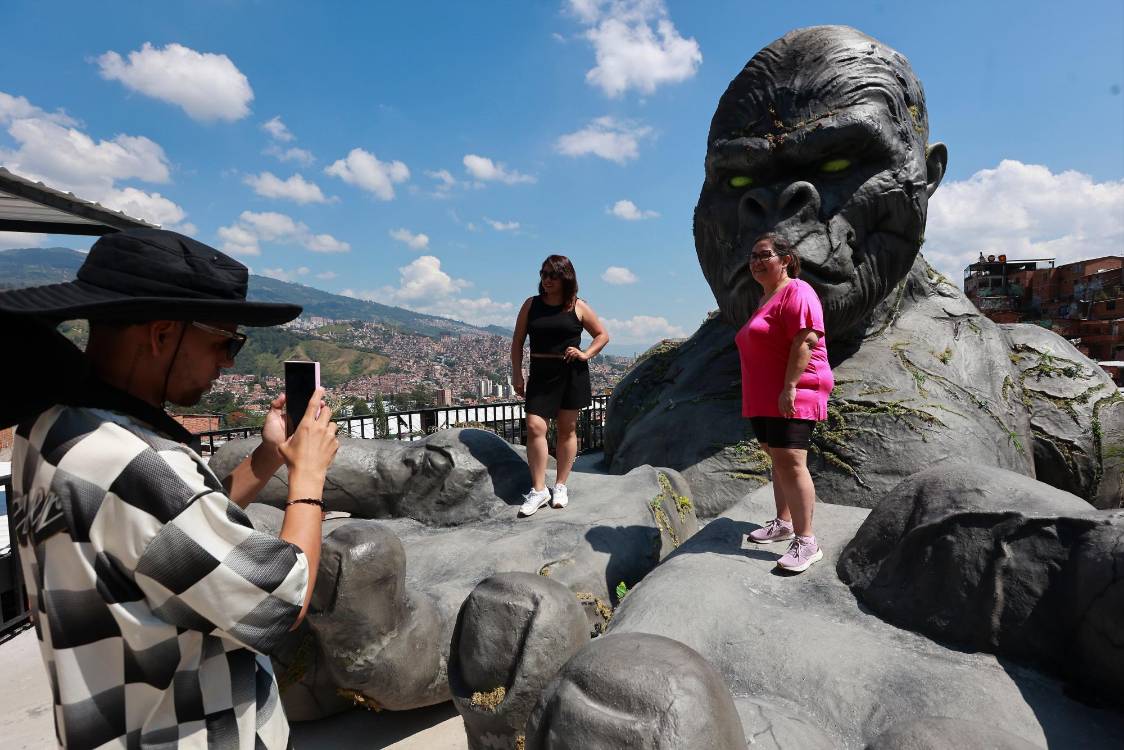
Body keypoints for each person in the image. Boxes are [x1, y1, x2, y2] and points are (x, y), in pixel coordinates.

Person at [0, 229, 339, 749]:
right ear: (161, 335)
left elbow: (172, 536)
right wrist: (308, 479)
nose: (229, 362)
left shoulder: (48, 429)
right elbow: (279, 600)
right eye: (225, 342)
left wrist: (270, 455)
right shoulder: (134, 462)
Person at [736, 234, 833, 572]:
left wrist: (790, 386)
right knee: (777, 459)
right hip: (764, 393)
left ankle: (807, 542)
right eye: (753, 256)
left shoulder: (798, 291)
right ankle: (785, 522)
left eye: (765, 255)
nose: (757, 261)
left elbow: (806, 339)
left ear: (786, 259)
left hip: (795, 388)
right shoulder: (766, 298)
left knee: (791, 461)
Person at [511, 255, 609, 516]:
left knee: (567, 429)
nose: (546, 279)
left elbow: (602, 335)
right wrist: (517, 374)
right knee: (534, 426)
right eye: (543, 274)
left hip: (571, 373)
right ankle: (539, 489)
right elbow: (518, 342)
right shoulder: (531, 305)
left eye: (552, 275)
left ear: (566, 277)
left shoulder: (578, 306)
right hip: (541, 373)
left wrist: (586, 354)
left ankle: (561, 485)